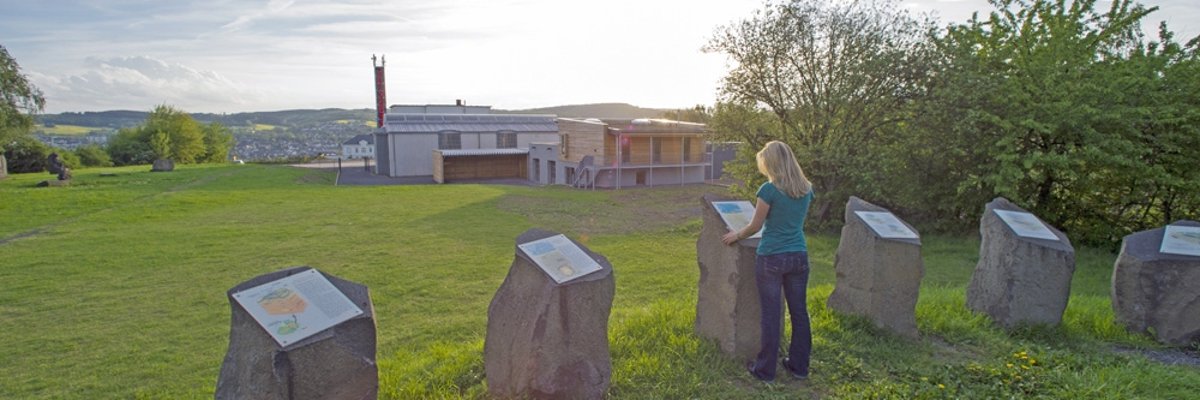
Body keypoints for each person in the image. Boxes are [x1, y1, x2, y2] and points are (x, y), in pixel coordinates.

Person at [721, 140, 814, 382]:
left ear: (771, 162)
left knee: (771, 314)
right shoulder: (806, 188)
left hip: (772, 257)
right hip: (799, 256)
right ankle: (799, 367)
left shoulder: (769, 190)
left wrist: (736, 235)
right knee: (799, 313)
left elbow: (755, 225)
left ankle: (765, 370)